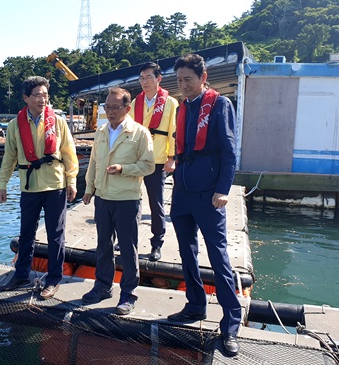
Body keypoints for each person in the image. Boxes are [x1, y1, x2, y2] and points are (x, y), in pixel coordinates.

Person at [167, 53, 241, 357]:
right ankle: (196, 305)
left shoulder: (220, 105)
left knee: (218, 257)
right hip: (182, 190)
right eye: (180, 80)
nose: (183, 85)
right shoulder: (182, 107)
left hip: (209, 194)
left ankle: (230, 325)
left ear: (203, 77)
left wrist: (223, 189)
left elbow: (229, 151)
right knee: (187, 252)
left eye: (189, 79)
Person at [0, 76, 78, 300]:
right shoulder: (15, 125)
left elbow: (69, 153)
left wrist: (72, 180)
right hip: (29, 186)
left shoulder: (58, 122)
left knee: (56, 234)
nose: (43, 99)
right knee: (26, 233)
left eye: (45, 95)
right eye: (38, 95)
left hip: (55, 184)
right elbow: (9, 157)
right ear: (26, 98)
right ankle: (21, 274)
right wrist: (2, 184)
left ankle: (53, 279)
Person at [82, 87, 155, 315]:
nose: (110, 112)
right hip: (103, 198)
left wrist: (124, 169)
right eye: (107, 107)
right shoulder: (102, 131)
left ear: (127, 108)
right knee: (103, 246)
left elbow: (149, 165)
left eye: (115, 107)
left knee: (127, 248)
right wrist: (89, 188)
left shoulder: (140, 133)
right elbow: (94, 162)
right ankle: (103, 286)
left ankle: (128, 294)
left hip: (127, 199)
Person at [129, 62, 178, 262]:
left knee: (156, 203)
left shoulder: (171, 103)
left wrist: (172, 158)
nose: (144, 82)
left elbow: (174, 132)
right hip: (136, 158)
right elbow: (129, 130)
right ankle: (128, 238)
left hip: (158, 160)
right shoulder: (135, 102)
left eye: (148, 77)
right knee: (130, 200)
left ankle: (156, 243)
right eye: (141, 78)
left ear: (159, 78)